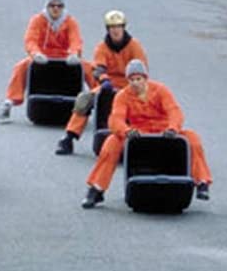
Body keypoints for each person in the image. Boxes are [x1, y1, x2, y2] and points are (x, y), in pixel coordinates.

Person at [81, 59, 212, 208]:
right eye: (131, 80)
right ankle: (96, 189)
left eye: (138, 79)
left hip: (165, 131)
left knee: (193, 138)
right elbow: (115, 119)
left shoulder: (161, 90)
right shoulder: (122, 96)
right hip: (138, 133)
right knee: (111, 142)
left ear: (145, 79)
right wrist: (126, 131)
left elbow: (174, 111)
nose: (135, 83)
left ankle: (202, 182)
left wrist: (173, 128)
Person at [55, 9, 148, 155]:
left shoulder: (134, 46)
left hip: (131, 84)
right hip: (108, 84)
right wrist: (105, 81)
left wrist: (134, 84)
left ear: (123, 28)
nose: (115, 30)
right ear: (108, 29)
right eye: (112, 27)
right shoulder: (102, 47)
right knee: (84, 99)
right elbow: (98, 68)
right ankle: (68, 138)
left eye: (118, 27)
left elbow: (141, 68)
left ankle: (147, 138)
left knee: (149, 102)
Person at [0, 0, 94, 122]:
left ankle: (101, 100)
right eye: (52, 5)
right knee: (21, 67)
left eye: (59, 6)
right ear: (47, 6)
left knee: (89, 68)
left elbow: (76, 40)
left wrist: (74, 53)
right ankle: (9, 103)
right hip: (43, 56)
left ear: (63, 7)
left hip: (65, 57)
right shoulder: (37, 20)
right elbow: (30, 40)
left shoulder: (70, 22)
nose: (55, 9)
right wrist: (35, 53)